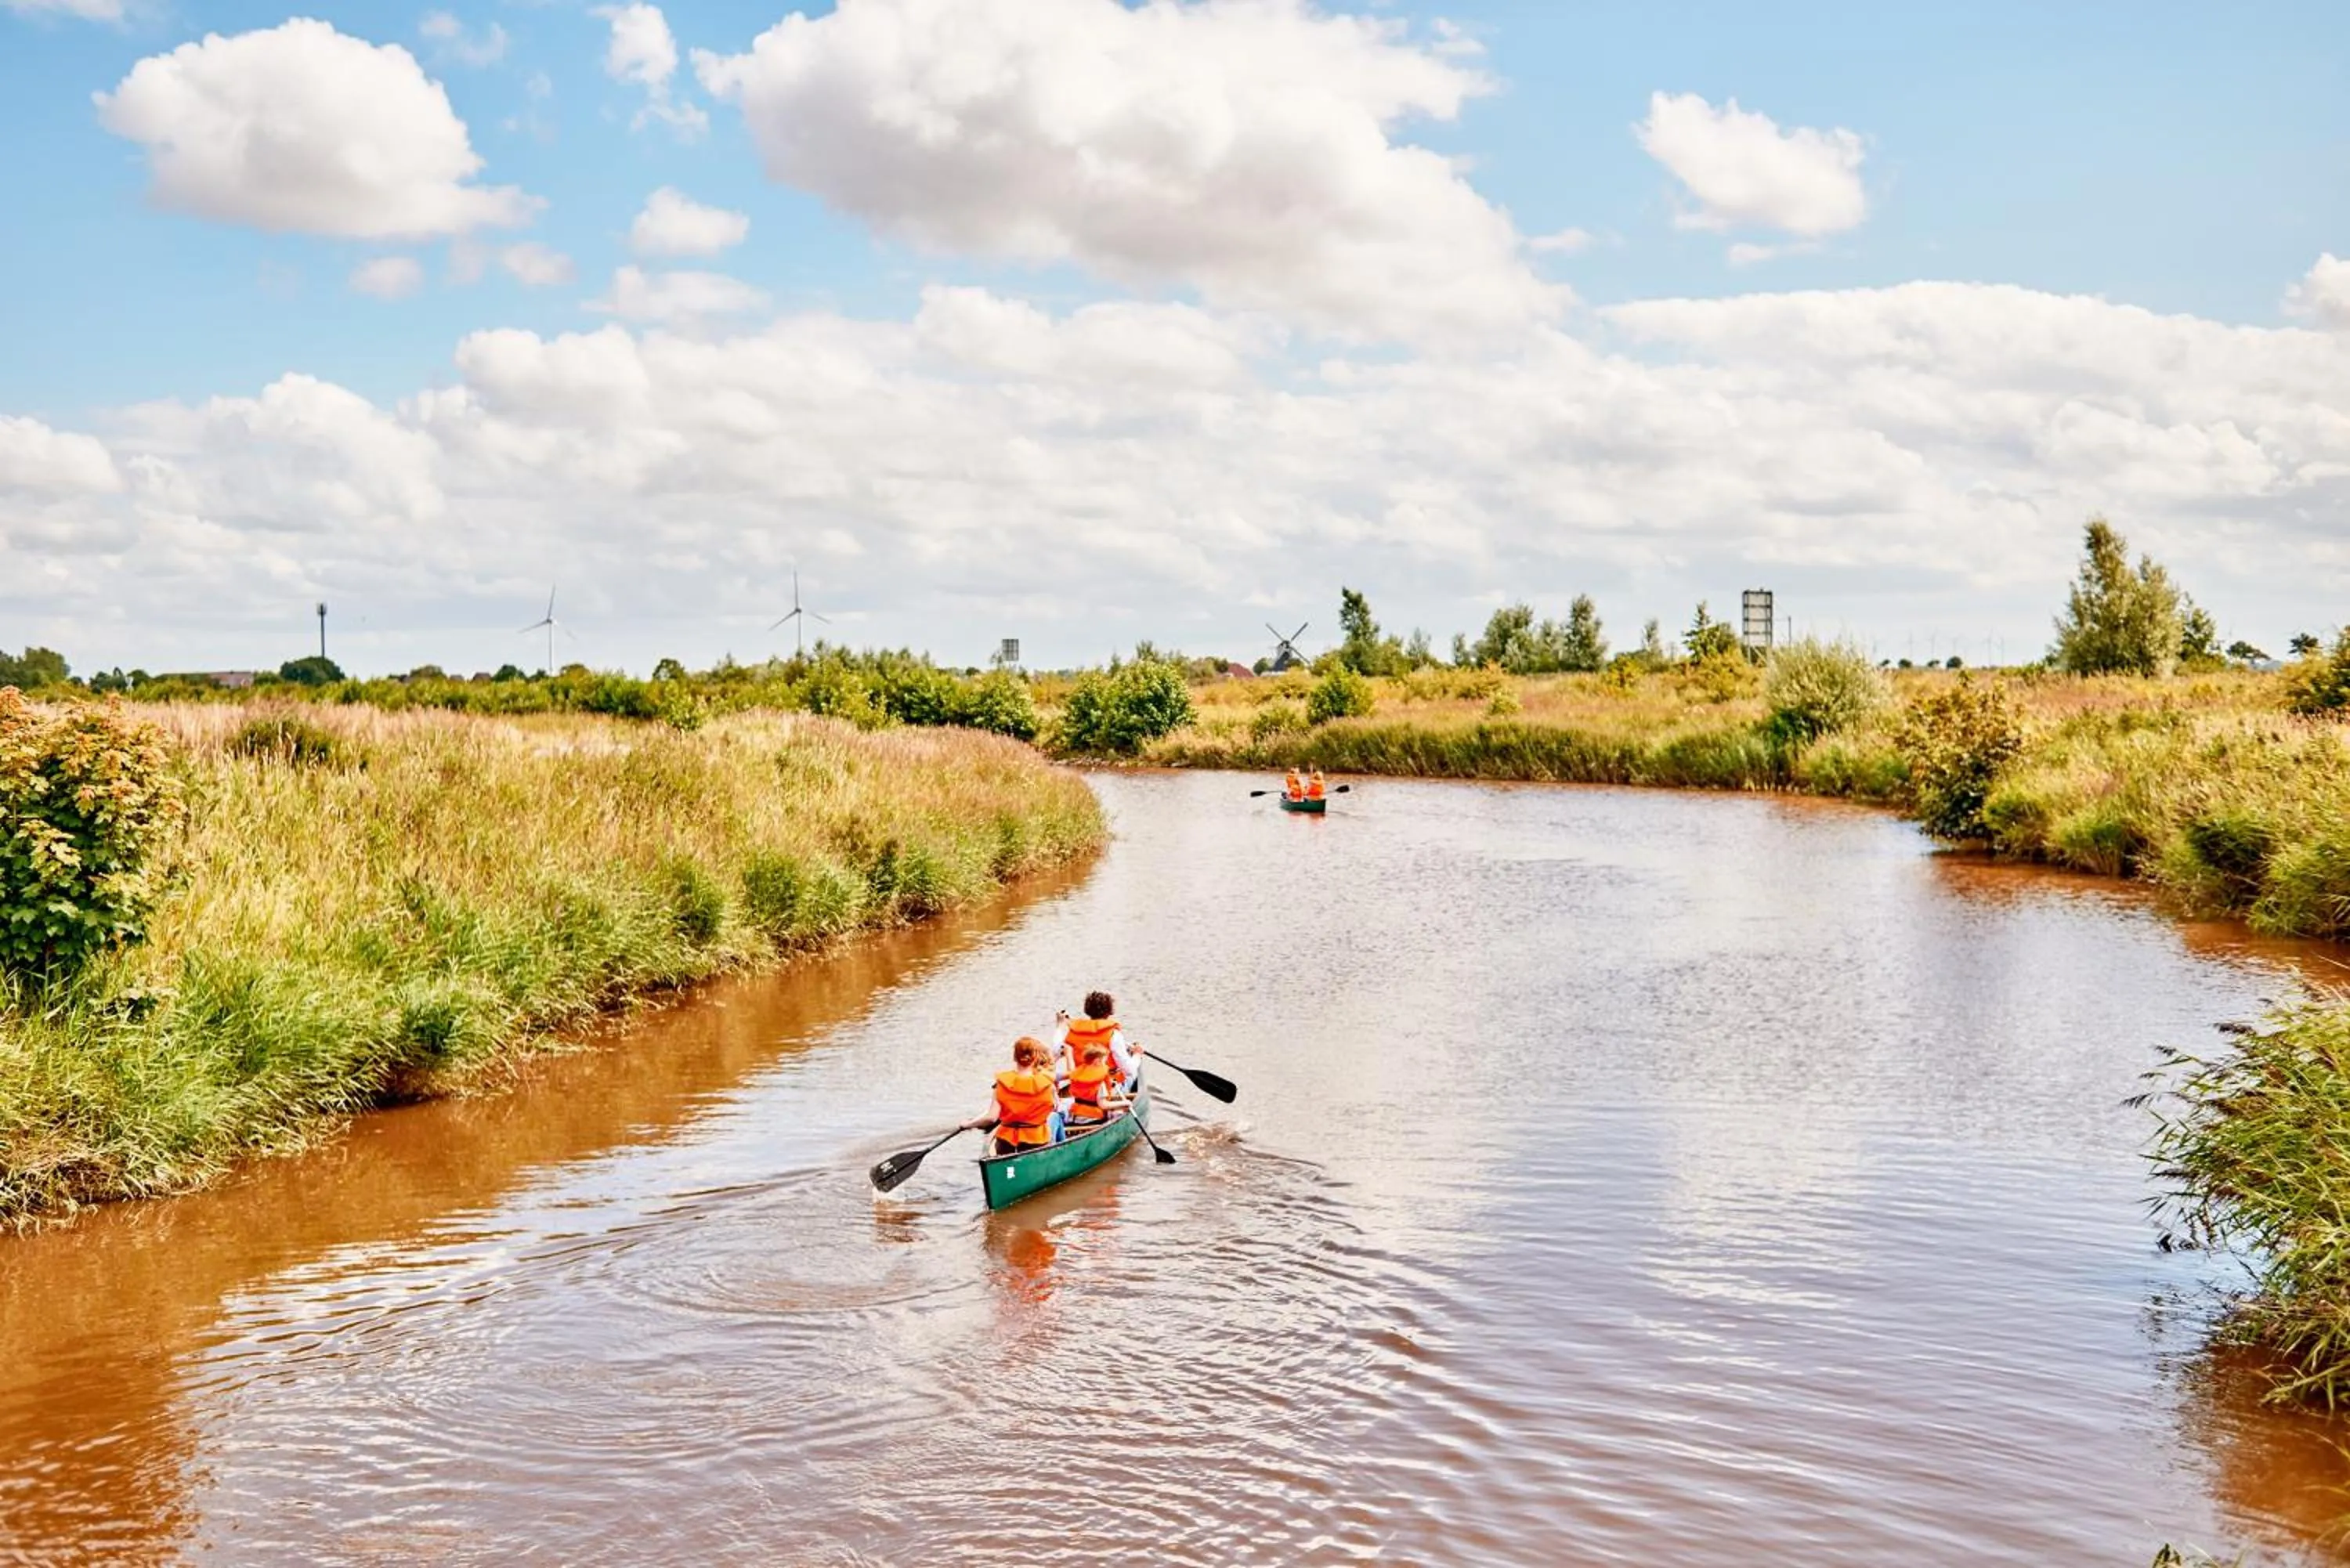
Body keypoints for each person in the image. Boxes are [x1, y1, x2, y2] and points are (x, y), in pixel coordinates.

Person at [963, 1037, 1061, 1157]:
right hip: (1036, 1140)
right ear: (1036, 1057)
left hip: (1006, 1141)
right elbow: (1055, 1107)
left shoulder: (1001, 1084)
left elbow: (991, 1118)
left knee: (1009, 1170)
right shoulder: (1048, 1084)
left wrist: (968, 1124)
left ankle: (1009, 1173)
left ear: (1015, 1057)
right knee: (1055, 1120)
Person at [1059, 991, 1138, 1094]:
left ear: (1087, 1010)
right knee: (1133, 1075)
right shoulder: (1114, 1034)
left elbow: (1059, 1049)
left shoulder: (1073, 1032)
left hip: (1082, 1083)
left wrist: (1059, 1025)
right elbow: (1129, 1070)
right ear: (1110, 1011)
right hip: (1108, 1086)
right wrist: (1137, 1056)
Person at [1064, 1042, 1115, 1129]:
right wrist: (1126, 1104)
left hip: (1075, 1119)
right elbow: (1104, 1105)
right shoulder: (1100, 1082)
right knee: (1118, 1112)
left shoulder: (1078, 1074)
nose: (1105, 1064)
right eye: (1104, 1061)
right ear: (1097, 1061)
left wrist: (1068, 1054)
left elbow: (1071, 1070)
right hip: (1094, 1120)